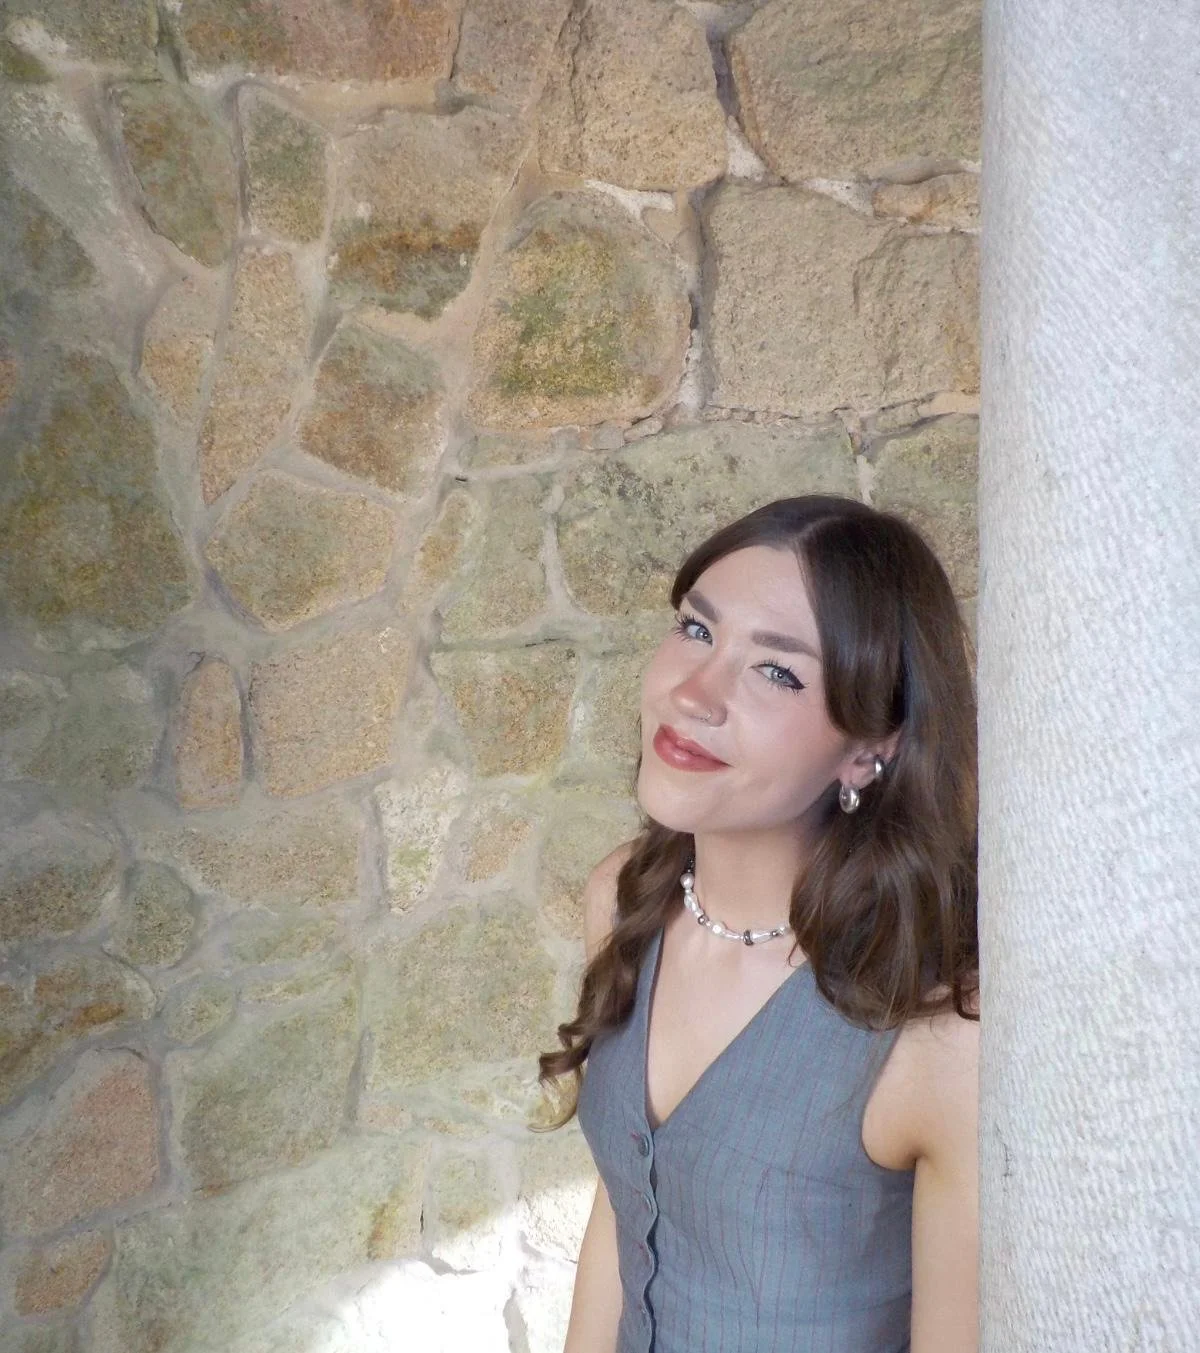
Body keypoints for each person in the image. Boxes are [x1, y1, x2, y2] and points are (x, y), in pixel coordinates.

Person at [537, 495, 980, 1353]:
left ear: (868, 748)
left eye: (775, 671)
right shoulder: (620, 902)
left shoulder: (939, 1027)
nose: (694, 694)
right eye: (697, 630)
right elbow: (624, 1210)